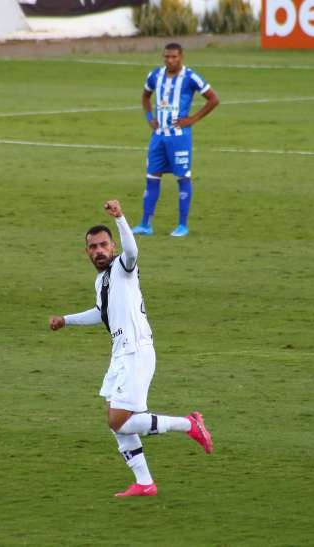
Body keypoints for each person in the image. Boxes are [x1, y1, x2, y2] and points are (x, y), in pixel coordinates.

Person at [49, 200, 214, 497]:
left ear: (112, 247)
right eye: (93, 247)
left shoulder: (123, 268)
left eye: (103, 245)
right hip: (121, 352)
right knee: (115, 420)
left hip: (136, 351)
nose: (99, 251)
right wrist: (66, 320)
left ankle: (188, 425)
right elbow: (101, 313)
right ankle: (144, 482)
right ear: (87, 252)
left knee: (119, 421)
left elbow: (133, 252)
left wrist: (121, 218)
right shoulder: (102, 279)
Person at [131, 43, 219, 238]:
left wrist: (192, 119)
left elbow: (213, 99)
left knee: (183, 178)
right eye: (166, 57)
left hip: (180, 138)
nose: (170, 60)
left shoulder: (190, 77)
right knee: (152, 178)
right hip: (158, 137)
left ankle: (182, 225)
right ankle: (145, 224)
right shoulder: (155, 75)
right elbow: (145, 96)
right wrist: (149, 118)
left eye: (173, 57)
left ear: (181, 57)